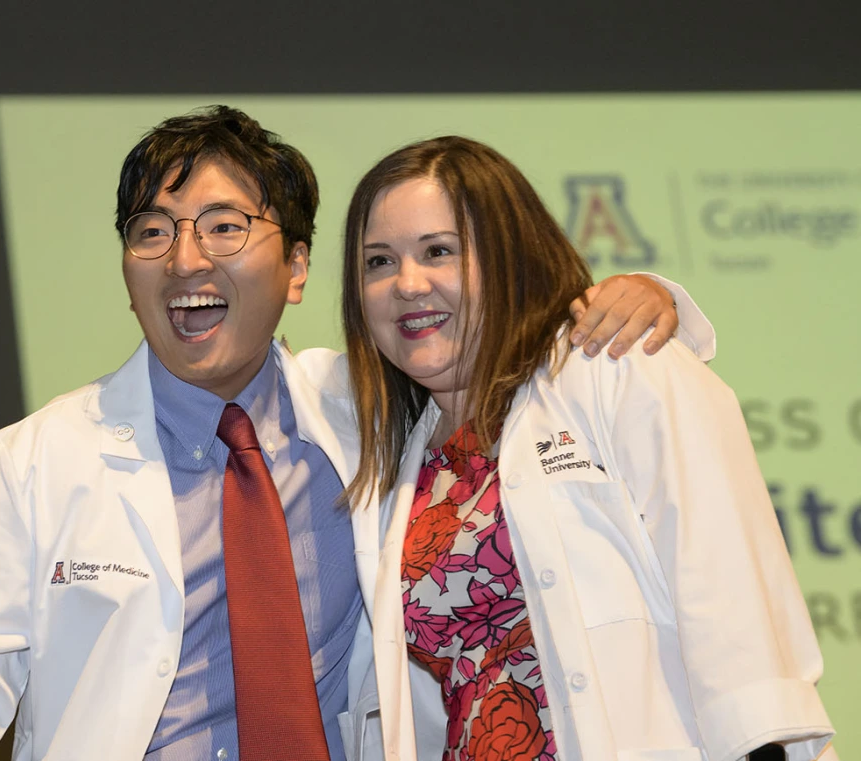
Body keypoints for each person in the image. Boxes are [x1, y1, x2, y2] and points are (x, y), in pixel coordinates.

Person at [0, 108, 695, 761]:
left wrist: (647, 296)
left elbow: (508, 352)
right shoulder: (32, 461)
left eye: (225, 227)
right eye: (150, 232)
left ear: (300, 265)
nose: (185, 261)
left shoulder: (374, 409)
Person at [340, 136, 837, 761]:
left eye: (439, 252)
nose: (408, 284)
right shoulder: (396, 457)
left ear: (509, 259)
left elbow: (733, 599)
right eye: (378, 262)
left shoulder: (616, 366)